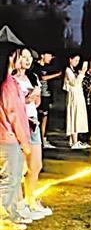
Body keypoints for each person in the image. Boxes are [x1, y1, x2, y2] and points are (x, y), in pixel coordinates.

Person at [1, 46, 44, 230]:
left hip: (17, 131)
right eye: (20, 56)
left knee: (16, 173)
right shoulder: (8, 83)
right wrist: (24, 141)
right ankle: (8, 214)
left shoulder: (15, 81)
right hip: (10, 134)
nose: (25, 60)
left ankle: (14, 211)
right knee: (11, 176)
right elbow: (15, 113)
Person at [15, 48, 51, 217]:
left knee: (35, 165)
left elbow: (36, 103)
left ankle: (31, 200)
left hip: (33, 122)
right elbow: (12, 104)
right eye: (24, 57)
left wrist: (35, 98)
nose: (28, 60)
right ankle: (18, 204)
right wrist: (28, 98)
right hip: (20, 124)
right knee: (18, 168)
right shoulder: (11, 79)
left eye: (29, 57)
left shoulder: (32, 77)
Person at [34, 52, 61, 148]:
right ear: (42, 55)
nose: (51, 58)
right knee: (38, 118)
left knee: (45, 117)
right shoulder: (35, 67)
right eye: (49, 55)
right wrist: (57, 74)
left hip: (47, 96)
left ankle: (43, 138)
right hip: (39, 96)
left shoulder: (48, 67)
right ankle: (38, 139)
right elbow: (42, 78)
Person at [63, 53, 89, 149]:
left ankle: (73, 140)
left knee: (77, 116)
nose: (77, 62)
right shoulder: (68, 70)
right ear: (70, 59)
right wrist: (82, 72)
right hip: (74, 95)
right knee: (74, 116)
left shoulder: (73, 70)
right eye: (75, 60)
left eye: (78, 61)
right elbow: (74, 82)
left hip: (78, 94)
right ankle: (74, 142)